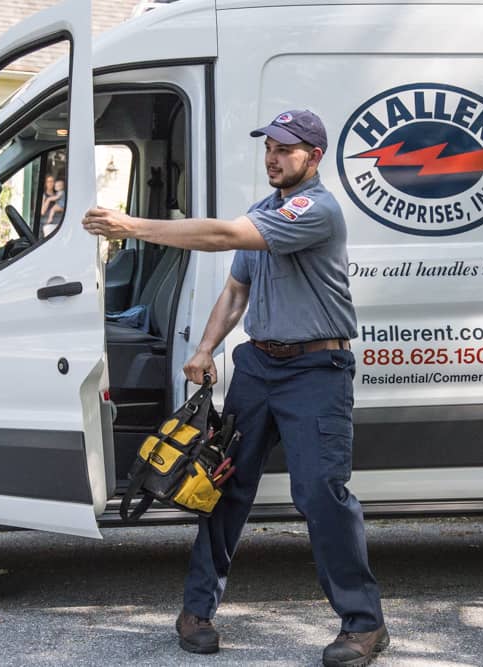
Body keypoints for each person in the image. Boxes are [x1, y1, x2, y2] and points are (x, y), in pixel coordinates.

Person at [82, 110, 388, 667]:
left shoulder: (314, 210)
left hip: (316, 372)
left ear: (313, 157)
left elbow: (222, 237)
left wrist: (132, 226)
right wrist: (204, 349)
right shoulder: (265, 211)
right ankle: (195, 613)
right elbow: (235, 292)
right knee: (222, 487)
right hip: (258, 369)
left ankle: (364, 625)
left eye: (286, 150)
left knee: (321, 495)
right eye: (269, 147)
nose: (273, 157)